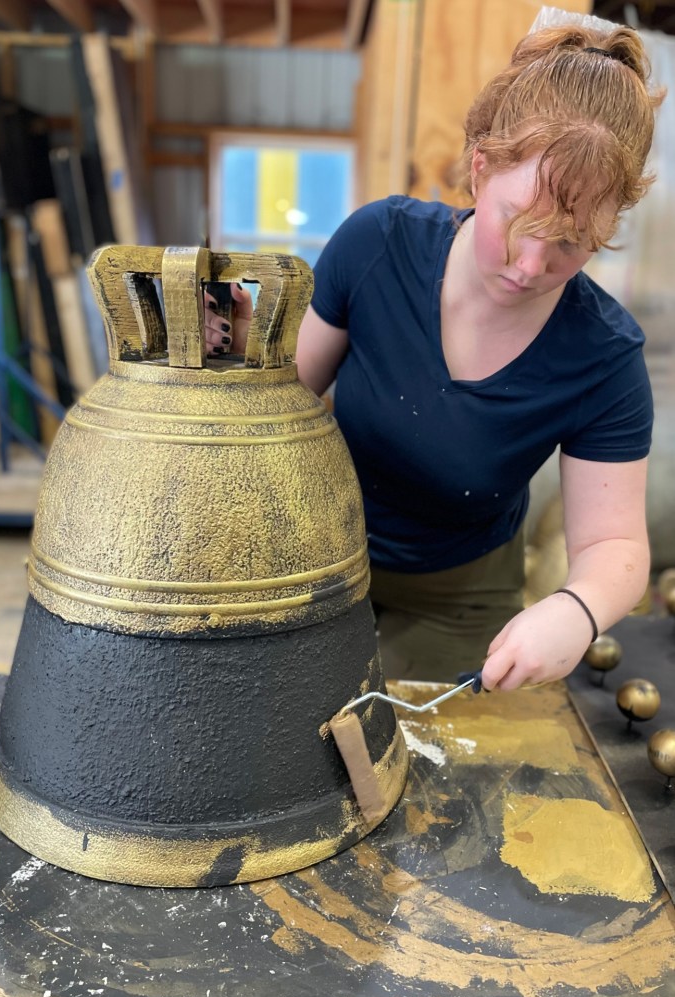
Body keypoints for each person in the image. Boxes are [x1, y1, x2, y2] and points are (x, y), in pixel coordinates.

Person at [204, 23, 665, 692]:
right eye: (518, 222)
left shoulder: (604, 356)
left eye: (570, 243)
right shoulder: (377, 245)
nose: (532, 265)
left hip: (460, 591)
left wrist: (574, 611)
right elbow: (281, 400)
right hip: (312, 551)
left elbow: (615, 547)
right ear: (480, 169)